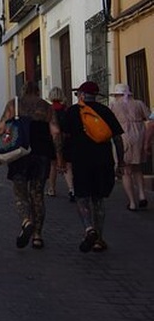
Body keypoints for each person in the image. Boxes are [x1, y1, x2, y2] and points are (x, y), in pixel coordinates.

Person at [0, 81, 63, 250]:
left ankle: (26, 221)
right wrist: (59, 157)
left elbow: (2, 127)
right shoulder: (47, 107)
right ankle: (38, 236)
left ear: (23, 91)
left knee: (20, 194)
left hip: (20, 153)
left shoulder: (14, 104)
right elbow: (56, 132)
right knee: (37, 194)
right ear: (38, 91)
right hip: (41, 154)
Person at [64, 81, 124, 253]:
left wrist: (63, 158)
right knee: (98, 199)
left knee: (82, 197)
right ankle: (98, 239)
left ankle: (89, 228)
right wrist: (120, 162)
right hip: (103, 160)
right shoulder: (105, 111)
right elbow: (118, 139)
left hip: (81, 161)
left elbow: (64, 136)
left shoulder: (73, 112)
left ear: (82, 95)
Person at [109, 83, 150, 211]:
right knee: (137, 168)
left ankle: (132, 202)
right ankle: (142, 195)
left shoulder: (114, 105)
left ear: (117, 95)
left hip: (123, 137)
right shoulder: (139, 103)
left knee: (126, 170)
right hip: (139, 135)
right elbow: (148, 117)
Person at [45, 87, 74, 202]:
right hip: (66, 139)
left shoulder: (48, 110)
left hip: (52, 140)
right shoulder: (66, 110)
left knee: (52, 165)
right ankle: (71, 189)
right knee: (67, 165)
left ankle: (51, 188)